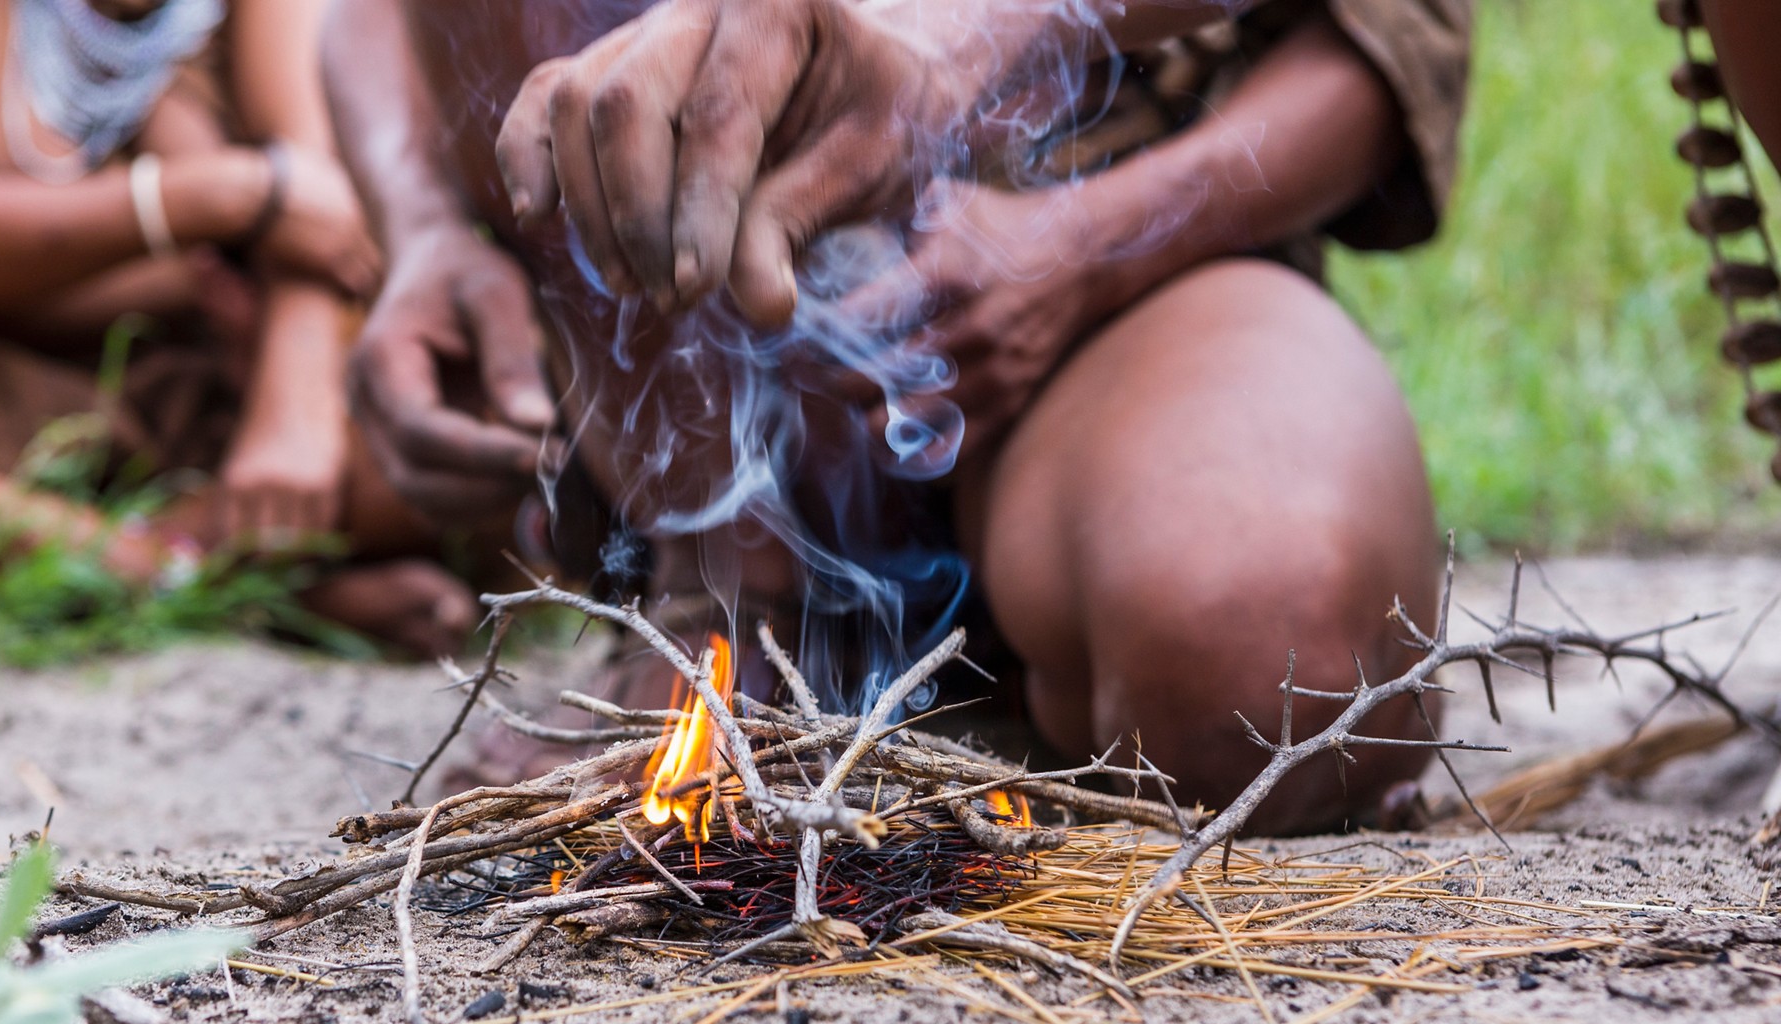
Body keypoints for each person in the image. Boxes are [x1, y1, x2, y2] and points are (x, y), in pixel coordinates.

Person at [325, 0, 1471, 832]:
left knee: (1270, 677)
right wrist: (424, 233)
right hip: (680, 356)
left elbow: (1377, 39)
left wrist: (1069, 229)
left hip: (1109, 231)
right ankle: (725, 607)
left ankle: (1027, 603)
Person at [0, 0, 508, 656]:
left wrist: (295, 409)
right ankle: (189, 572)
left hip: (224, 399)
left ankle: (170, 559)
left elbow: (326, 202)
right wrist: (218, 196)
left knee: (501, 419)